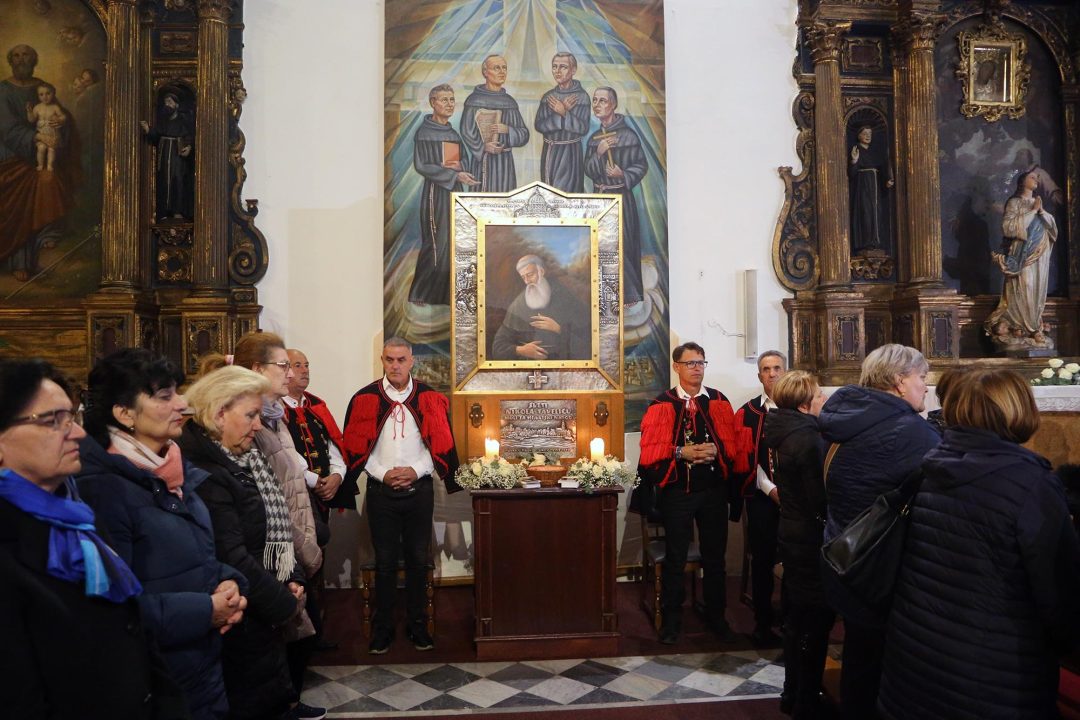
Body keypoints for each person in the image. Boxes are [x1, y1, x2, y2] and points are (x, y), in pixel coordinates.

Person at [878, 369, 1080, 719]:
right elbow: (1060, 595)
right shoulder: (1030, 483)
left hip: (916, 661)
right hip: (993, 678)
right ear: (1017, 409)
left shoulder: (931, 468)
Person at [0, 358, 188, 719]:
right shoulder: (7, 544)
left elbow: (130, 624)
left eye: (73, 417)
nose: (78, 433)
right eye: (53, 421)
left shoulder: (75, 514)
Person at [76, 349, 248, 720]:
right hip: (156, 681)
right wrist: (207, 610)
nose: (183, 404)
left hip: (199, 667)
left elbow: (192, 557)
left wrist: (230, 584)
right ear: (124, 414)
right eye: (165, 396)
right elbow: (111, 609)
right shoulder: (104, 489)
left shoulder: (172, 469)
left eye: (177, 392)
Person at [178, 366, 319, 720]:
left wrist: (295, 577)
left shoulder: (246, 460)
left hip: (261, 613)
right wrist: (283, 603)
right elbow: (232, 554)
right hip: (240, 617)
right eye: (251, 415)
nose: (258, 425)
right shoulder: (206, 472)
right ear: (219, 413)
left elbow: (277, 525)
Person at [818, 343, 940, 720]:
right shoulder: (910, 432)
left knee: (859, 657)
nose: (925, 386)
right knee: (887, 673)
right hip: (888, 570)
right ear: (900, 381)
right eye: (921, 377)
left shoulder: (844, 415)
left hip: (848, 556)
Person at [340, 337, 462, 654]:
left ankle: (417, 625)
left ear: (412, 362)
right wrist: (383, 473)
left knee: (419, 561)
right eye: (390, 360)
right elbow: (356, 448)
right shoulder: (364, 398)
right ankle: (383, 629)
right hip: (381, 491)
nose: (395, 366)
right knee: (384, 563)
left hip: (419, 490)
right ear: (383, 360)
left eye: (401, 360)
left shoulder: (431, 398)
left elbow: (435, 445)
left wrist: (417, 470)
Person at [636, 342, 752, 644]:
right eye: (690, 363)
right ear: (677, 367)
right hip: (679, 493)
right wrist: (681, 452)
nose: (697, 368)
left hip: (713, 491)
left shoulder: (718, 401)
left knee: (716, 559)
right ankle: (672, 622)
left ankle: (717, 617)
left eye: (701, 362)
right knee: (676, 559)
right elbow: (651, 456)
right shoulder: (662, 404)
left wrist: (716, 449)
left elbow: (734, 447)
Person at [762, 371, 831, 719]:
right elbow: (820, 498)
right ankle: (806, 698)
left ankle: (793, 692)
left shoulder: (783, 430)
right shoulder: (807, 439)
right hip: (808, 537)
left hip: (791, 530)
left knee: (797, 619)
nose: (824, 401)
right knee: (813, 622)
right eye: (820, 396)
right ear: (804, 405)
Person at [283, 348, 350, 653]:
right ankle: (303, 631)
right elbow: (285, 454)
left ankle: (318, 626)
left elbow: (333, 444)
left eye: (306, 365)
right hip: (298, 494)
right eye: (297, 366)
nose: (304, 371)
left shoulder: (316, 406)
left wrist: (336, 476)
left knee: (319, 557)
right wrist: (315, 481)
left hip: (324, 492)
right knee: (303, 561)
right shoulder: (275, 410)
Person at [0, 44, 78, 281]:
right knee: (16, 203)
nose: (21, 59)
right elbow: (6, 128)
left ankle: (43, 243)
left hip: (38, 157)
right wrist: (36, 136)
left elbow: (62, 120)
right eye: (16, 55)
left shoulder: (42, 88)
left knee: (47, 182)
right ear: (10, 60)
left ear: (34, 59)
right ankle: (17, 260)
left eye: (26, 55)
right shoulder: (2, 90)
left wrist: (60, 125)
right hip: (8, 155)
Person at [408, 84, 479, 306]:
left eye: (452, 99)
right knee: (436, 241)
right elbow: (422, 165)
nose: (449, 104)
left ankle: (448, 294)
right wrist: (452, 175)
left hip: (454, 192)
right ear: (433, 103)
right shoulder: (424, 132)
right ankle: (421, 293)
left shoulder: (452, 132)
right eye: (444, 100)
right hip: (435, 193)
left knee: (454, 240)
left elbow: (463, 159)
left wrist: (462, 169)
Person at [733, 350, 786, 646]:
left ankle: (792, 618)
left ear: (786, 371)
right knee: (763, 560)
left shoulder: (801, 408)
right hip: (763, 499)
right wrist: (772, 490)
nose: (772, 373)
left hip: (797, 501)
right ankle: (762, 621)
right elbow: (747, 461)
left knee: (797, 560)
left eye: (777, 368)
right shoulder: (748, 413)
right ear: (759, 376)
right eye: (766, 369)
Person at [584, 87, 648, 304]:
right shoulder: (594, 139)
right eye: (594, 100)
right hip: (600, 198)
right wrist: (599, 153)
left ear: (613, 104)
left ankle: (627, 294)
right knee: (602, 246)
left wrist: (624, 174)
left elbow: (641, 165)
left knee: (622, 244)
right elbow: (589, 170)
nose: (597, 104)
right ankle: (604, 293)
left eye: (602, 100)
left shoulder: (628, 135)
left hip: (620, 197)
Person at [984, 170, 1058, 347]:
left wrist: (1041, 212)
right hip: (1022, 253)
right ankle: (1018, 326)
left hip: (1040, 252)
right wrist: (1032, 212)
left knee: (1037, 289)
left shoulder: (1038, 204)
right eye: (1032, 177)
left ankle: (1034, 326)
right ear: (1022, 182)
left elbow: (1053, 230)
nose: (1036, 181)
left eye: (1037, 178)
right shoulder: (1015, 202)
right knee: (1024, 285)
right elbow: (1009, 227)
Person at [490, 254, 591, 360]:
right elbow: (497, 347)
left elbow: (589, 344)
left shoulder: (567, 299)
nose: (527, 282)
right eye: (523, 277)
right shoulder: (517, 305)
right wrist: (520, 350)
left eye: (530, 275)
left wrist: (559, 329)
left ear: (541, 272)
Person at [460, 55, 529, 192]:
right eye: (496, 68)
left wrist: (508, 130)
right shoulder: (474, 100)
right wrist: (483, 147)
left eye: (504, 68)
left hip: (504, 162)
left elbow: (524, 134)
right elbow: (466, 131)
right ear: (485, 72)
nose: (502, 72)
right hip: (483, 161)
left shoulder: (509, 102)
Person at [534, 52, 591, 193]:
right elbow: (539, 125)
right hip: (550, 153)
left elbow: (583, 128)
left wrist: (564, 113)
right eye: (554, 67)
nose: (557, 71)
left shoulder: (582, 97)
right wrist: (560, 114)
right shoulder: (548, 97)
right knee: (550, 193)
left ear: (573, 70)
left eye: (563, 67)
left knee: (568, 193)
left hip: (570, 154)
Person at [140, 93, 194, 221]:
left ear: (176, 104)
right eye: (165, 102)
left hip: (177, 154)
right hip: (164, 154)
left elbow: (190, 135)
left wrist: (189, 146)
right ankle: (164, 211)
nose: (167, 105)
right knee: (164, 180)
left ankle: (178, 211)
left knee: (178, 180)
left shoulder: (183, 119)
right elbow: (156, 133)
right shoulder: (164, 121)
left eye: (169, 102)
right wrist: (148, 129)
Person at [848, 125, 893, 255]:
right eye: (865, 133)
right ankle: (866, 243)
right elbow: (852, 174)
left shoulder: (875, 153)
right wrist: (854, 161)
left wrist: (887, 182)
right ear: (859, 136)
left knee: (877, 212)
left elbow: (883, 170)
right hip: (863, 187)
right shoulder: (856, 150)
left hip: (876, 188)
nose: (868, 136)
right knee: (866, 213)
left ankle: (877, 242)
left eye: (870, 134)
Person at [27, 82, 65, 172]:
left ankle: (49, 165)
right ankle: (40, 165)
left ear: (53, 94)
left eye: (48, 93)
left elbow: (63, 116)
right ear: (38, 96)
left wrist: (60, 120)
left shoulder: (55, 107)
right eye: (41, 94)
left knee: (51, 149)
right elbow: (31, 120)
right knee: (41, 148)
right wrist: (29, 112)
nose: (45, 96)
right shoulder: (37, 107)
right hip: (41, 133)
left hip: (52, 133)